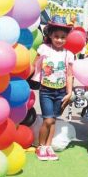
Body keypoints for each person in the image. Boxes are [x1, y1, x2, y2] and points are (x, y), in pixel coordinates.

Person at [32, 16, 74, 161]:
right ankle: (41, 146)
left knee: (54, 120)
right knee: (48, 120)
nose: (59, 40)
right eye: (56, 36)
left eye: (63, 37)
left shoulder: (69, 54)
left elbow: (69, 75)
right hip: (46, 90)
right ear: (50, 35)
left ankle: (48, 146)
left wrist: (69, 92)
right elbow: (34, 64)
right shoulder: (44, 48)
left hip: (60, 91)